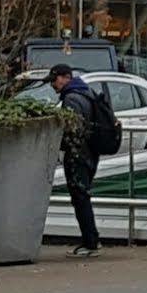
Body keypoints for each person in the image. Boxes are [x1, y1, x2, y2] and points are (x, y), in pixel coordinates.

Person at [48, 64, 110, 257]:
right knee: (83, 196)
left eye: (54, 79)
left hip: (79, 154)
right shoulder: (87, 92)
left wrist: (64, 146)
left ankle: (90, 242)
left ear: (65, 77)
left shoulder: (72, 98)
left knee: (80, 198)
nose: (52, 85)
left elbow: (73, 130)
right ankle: (91, 240)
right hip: (91, 152)